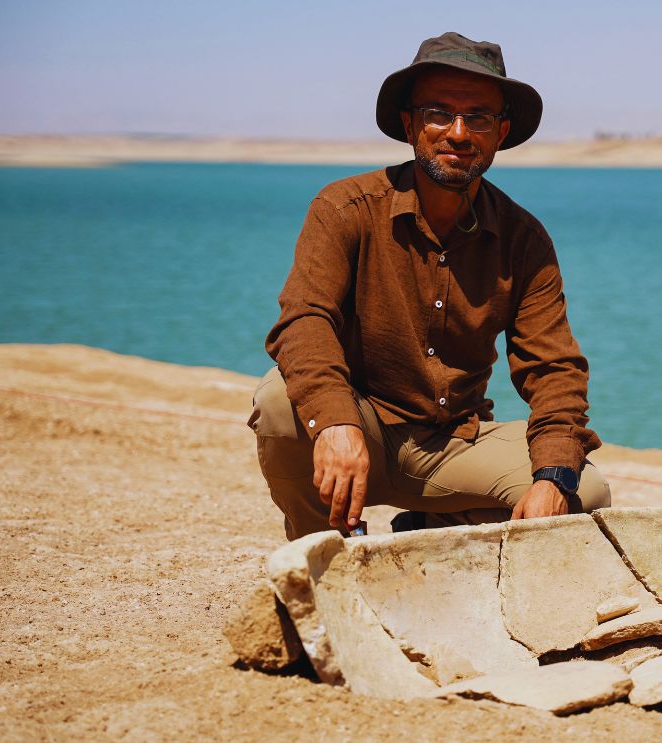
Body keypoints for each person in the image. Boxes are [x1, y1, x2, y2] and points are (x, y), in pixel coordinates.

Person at [248, 32, 609, 540]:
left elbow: (554, 371)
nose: (458, 133)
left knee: (583, 492)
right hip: (362, 426)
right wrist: (335, 421)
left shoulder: (523, 238)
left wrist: (552, 475)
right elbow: (304, 321)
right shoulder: (345, 208)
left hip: (453, 443)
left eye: (478, 117)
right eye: (439, 113)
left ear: (500, 132)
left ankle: (427, 527)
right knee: (282, 402)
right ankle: (322, 559)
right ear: (409, 123)